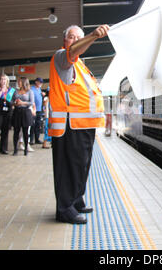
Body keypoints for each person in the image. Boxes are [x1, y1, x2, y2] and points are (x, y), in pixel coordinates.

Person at [48, 24, 109, 224]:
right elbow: (73, 51)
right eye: (71, 37)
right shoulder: (61, 56)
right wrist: (92, 36)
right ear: (64, 41)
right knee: (70, 166)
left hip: (82, 124)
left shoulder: (80, 65)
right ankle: (64, 208)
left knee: (82, 164)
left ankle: (76, 199)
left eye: (78, 37)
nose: (74, 40)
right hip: (69, 124)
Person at [12, 77, 35, 156]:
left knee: (25, 132)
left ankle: (26, 149)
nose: (18, 83)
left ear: (23, 82)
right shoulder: (15, 91)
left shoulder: (29, 92)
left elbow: (31, 102)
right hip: (17, 112)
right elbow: (12, 101)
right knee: (16, 131)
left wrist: (22, 103)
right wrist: (15, 103)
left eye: (19, 82)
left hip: (25, 112)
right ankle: (15, 149)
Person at [30, 77, 44, 145]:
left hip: (39, 110)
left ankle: (37, 139)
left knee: (38, 125)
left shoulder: (39, 89)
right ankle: (31, 139)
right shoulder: (32, 89)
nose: (41, 83)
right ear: (36, 82)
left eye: (41, 82)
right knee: (32, 125)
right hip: (33, 110)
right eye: (39, 82)